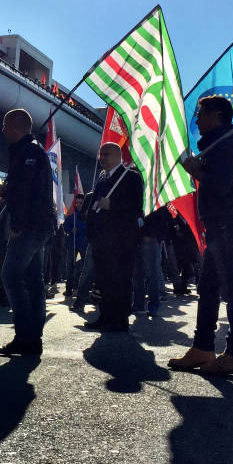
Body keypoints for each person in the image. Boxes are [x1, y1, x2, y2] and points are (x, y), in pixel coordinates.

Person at [169, 95, 233, 376]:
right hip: (220, 226)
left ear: (217, 115)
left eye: (200, 113)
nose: (196, 119)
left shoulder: (227, 146)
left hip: (229, 226)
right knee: (208, 289)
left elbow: (220, 186)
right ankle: (203, 347)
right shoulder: (220, 145)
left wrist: (197, 169)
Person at [0, 109, 54, 355]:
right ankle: (32, 339)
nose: (3, 130)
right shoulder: (29, 151)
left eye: (6, 126)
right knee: (33, 280)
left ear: (17, 128)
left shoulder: (29, 153)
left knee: (10, 276)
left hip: (29, 226)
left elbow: (27, 194)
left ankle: (25, 336)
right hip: (39, 225)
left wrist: (16, 223)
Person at [83, 142, 144, 332]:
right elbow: (94, 204)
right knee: (103, 280)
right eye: (101, 154)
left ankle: (119, 319)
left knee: (120, 280)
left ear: (118, 156)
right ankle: (105, 315)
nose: (102, 158)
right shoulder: (102, 177)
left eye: (107, 154)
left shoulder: (130, 176)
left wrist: (114, 205)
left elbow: (136, 207)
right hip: (101, 240)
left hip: (121, 240)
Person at [62, 194, 87, 297]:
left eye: (81, 203)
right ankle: (69, 289)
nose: (78, 205)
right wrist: (70, 230)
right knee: (70, 266)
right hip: (73, 244)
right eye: (77, 203)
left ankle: (80, 288)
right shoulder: (72, 216)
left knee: (82, 267)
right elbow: (65, 226)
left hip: (84, 245)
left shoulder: (86, 216)